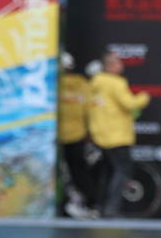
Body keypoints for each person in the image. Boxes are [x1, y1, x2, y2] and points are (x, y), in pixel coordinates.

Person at [88, 51, 150, 218]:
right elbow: (129, 103)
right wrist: (144, 97)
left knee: (107, 172)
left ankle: (99, 206)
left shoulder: (94, 83)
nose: (122, 65)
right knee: (122, 171)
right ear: (111, 66)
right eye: (119, 63)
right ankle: (111, 208)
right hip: (117, 136)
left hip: (100, 135)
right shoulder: (116, 83)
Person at [57, 52, 94, 218]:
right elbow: (89, 109)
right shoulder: (82, 84)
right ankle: (84, 202)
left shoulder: (53, 84)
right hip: (78, 135)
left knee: (60, 172)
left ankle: (71, 202)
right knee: (79, 171)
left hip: (57, 137)